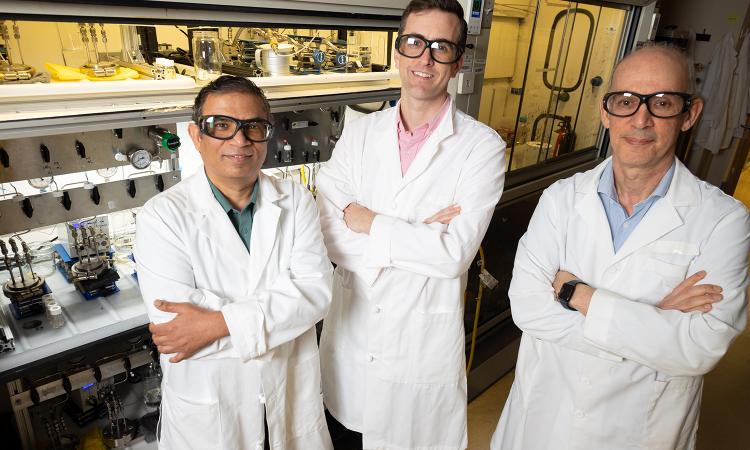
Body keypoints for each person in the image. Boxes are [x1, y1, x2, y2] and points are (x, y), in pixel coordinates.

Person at [491, 44, 750, 450]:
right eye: (626, 101)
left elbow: (700, 348)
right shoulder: (561, 198)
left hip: (640, 429)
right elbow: (527, 308)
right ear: (606, 111)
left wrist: (581, 296)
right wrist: (652, 320)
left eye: (662, 102)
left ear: (689, 114)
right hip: (544, 417)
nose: (641, 119)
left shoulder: (723, 220)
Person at [315, 0, 506, 448]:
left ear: (458, 62)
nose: (425, 58)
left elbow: (451, 255)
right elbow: (328, 231)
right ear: (398, 52)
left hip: (418, 356)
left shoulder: (482, 148)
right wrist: (415, 233)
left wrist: (365, 219)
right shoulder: (361, 132)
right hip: (350, 347)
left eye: (441, 47)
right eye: (415, 43)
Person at [134, 75, 333, 450]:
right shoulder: (160, 218)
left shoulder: (295, 199)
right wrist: (280, 317)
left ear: (267, 135)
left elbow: (315, 293)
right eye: (221, 126)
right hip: (211, 416)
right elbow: (178, 333)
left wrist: (216, 323)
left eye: (253, 127)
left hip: (288, 401)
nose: (239, 141)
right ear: (197, 136)